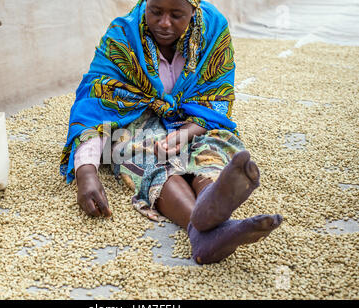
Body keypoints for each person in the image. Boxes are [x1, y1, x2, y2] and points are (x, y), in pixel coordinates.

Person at [60, 0, 283, 264]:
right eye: (155, 12)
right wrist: (86, 171)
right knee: (141, 154)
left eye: (177, 15)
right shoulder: (123, 37)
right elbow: (93, 106)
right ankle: (203, 226)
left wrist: (185, 133)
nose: (164, 23)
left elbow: (215, 101)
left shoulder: (212, 30)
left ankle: (211, 203)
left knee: (216, 143)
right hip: (134, 122)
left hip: (191, 121)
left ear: (193, 10)